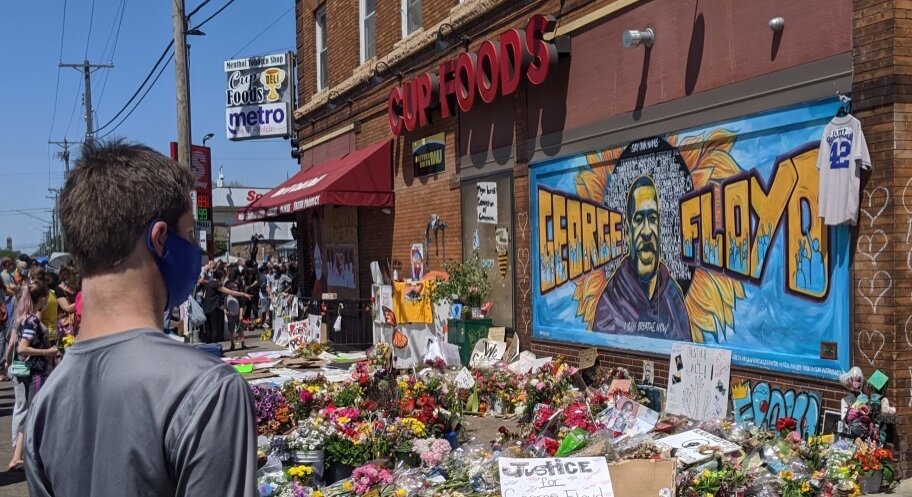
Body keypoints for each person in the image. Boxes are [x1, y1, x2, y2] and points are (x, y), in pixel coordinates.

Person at [25, 140, 257, 496]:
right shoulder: (208, 391)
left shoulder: (43, 408)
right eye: (190, 233)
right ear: (160, 239)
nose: (195, 249)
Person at [593, 176, 690, 341]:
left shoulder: (673, 297)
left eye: (652, 219)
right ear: (628, 233)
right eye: (638, 220)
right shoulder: (610, 302)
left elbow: (686, 356)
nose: (646, 232)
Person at [8, 281, 57, 471]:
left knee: (31, 411)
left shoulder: (24, 318)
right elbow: (23, 347)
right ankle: (27, 454)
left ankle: (19, 455)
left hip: (32, 372)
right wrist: (48, 352)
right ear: (43, 299)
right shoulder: (32, 321)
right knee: (34, 411)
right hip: (36, 373)